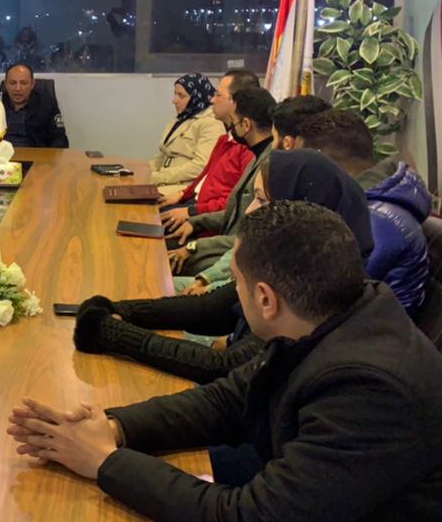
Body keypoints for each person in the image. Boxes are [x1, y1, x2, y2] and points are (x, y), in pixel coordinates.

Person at [12, 201, 442, 522]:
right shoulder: (329, 319)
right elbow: (228, 400)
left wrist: (105, 462)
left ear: (265, 299)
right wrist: (114, 427)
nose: (232, 293)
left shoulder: (370, 391)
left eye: (235, 282)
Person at [74, 149, 374, 383]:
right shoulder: (292, 259)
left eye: (261, 200)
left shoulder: (318, 288)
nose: (250, 212)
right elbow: (210, 309)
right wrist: (119, 310)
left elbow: (225, 367)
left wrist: (115, 334)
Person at [298, 108, 430, 314]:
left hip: (371, 329)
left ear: (322, 165)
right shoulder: (366, 201)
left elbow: (324, 298)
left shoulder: (376, 221)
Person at [167, 86, 275, 278]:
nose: (231, 128)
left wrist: (195, 245)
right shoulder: (257, 156)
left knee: (162, 258)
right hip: (221, 244)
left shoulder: (267, 165)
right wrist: (196, 222)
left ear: (246, 125)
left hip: (234, 255)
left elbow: (249, 235)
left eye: (233, 121)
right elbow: (234, 212)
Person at [160, 69, 256, 218]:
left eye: (218, 95)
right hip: (194, 203)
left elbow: (235, 204)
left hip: (203, 214)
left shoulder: (248, 148)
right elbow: (205, 176)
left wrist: (191, 212)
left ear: (236, 102)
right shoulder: (225, 139)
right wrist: (182, 194)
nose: (211, 100)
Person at [149, 74, 220, 201]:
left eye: (181, 96)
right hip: (164, 182)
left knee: (137, 205)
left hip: (184, 189)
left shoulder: (211, 124)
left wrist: (161, 177)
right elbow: (161, 153)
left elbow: (201, 166)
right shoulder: (181, 119)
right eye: (175, 94)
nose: (174, 100)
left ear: (197, 97)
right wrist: (150, 173)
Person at [0, 63, 69, 149]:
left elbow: (60, 141)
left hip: (35, 160)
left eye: (23, 83)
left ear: (32, 84)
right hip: (0, 160)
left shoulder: (47, 106)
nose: (18, 88)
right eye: (12, 83)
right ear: (6, 84)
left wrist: (46, 161)